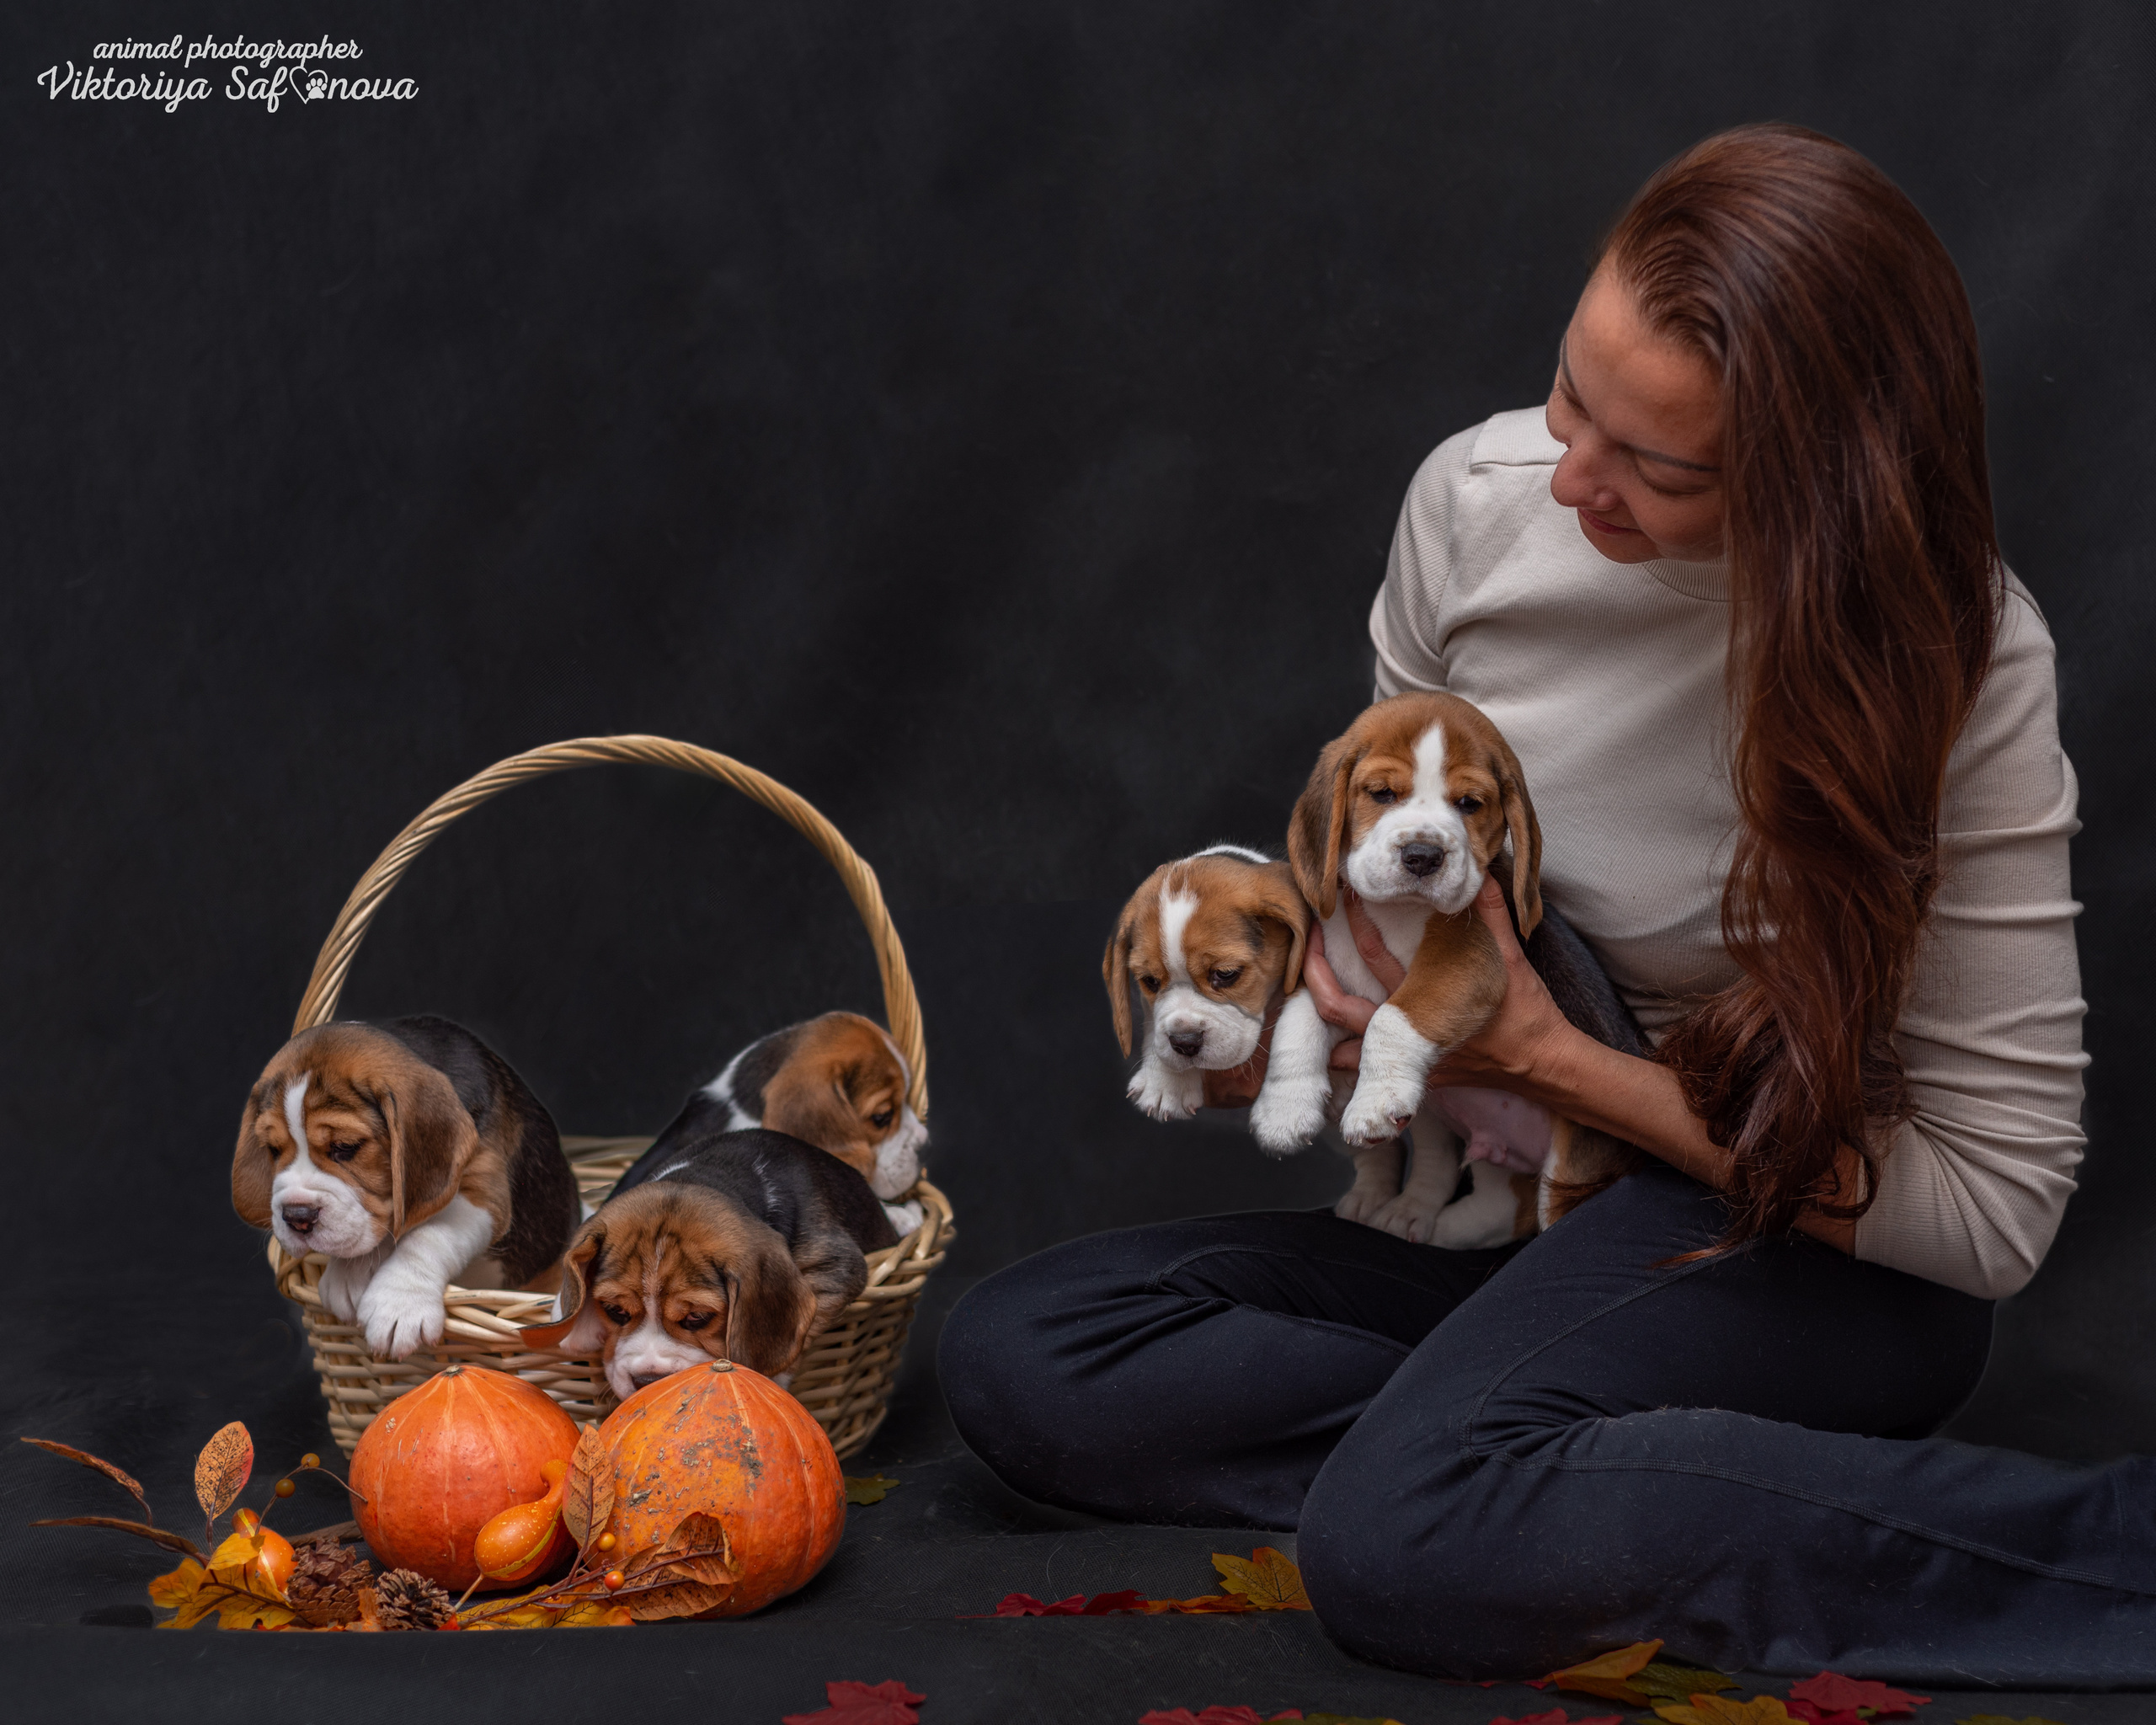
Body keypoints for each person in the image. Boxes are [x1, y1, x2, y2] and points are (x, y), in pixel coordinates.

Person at [937, 125, 2116, 1684]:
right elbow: (1403, 923)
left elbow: (1988, 1214)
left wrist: (1552, 1061)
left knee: (1393, 1550)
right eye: (1573, 393)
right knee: (1027, 1363)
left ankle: (2100, 1556)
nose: (1571, 478)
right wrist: (1309, 1025)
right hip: (1536, 1206)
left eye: (1660, 465)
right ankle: (1527, 1461)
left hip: (1801, 1250)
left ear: (1814, 482)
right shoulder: (1477, 509)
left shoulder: (1966, 661)